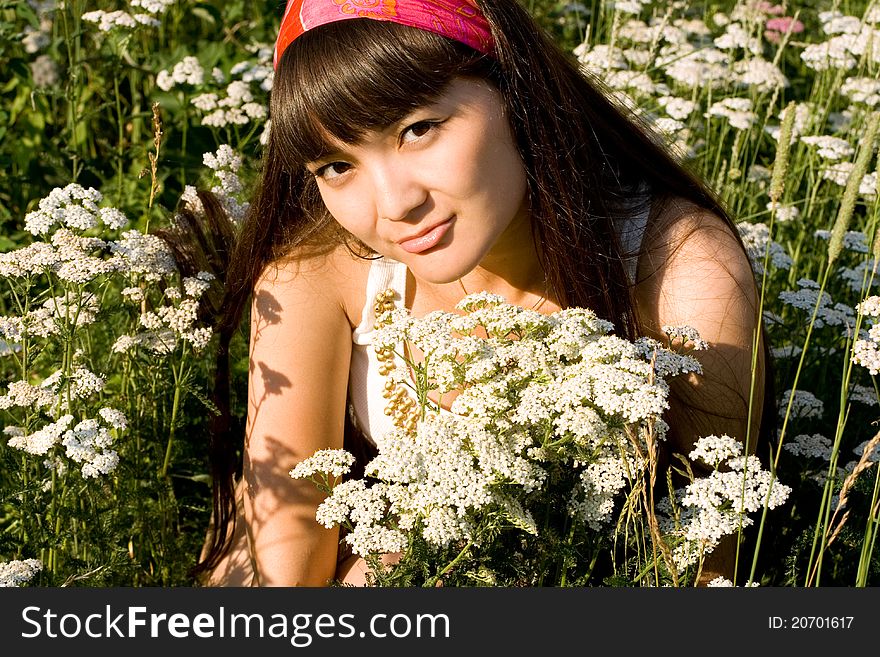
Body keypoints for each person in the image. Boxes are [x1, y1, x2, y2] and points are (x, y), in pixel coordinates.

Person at [192, 0, 776, 587]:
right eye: (337, 167)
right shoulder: (319, 274)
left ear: (515, 91)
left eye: (417, 130)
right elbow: (281, 571)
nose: (394, 204)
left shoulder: (677, 266)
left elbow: (704, 568)